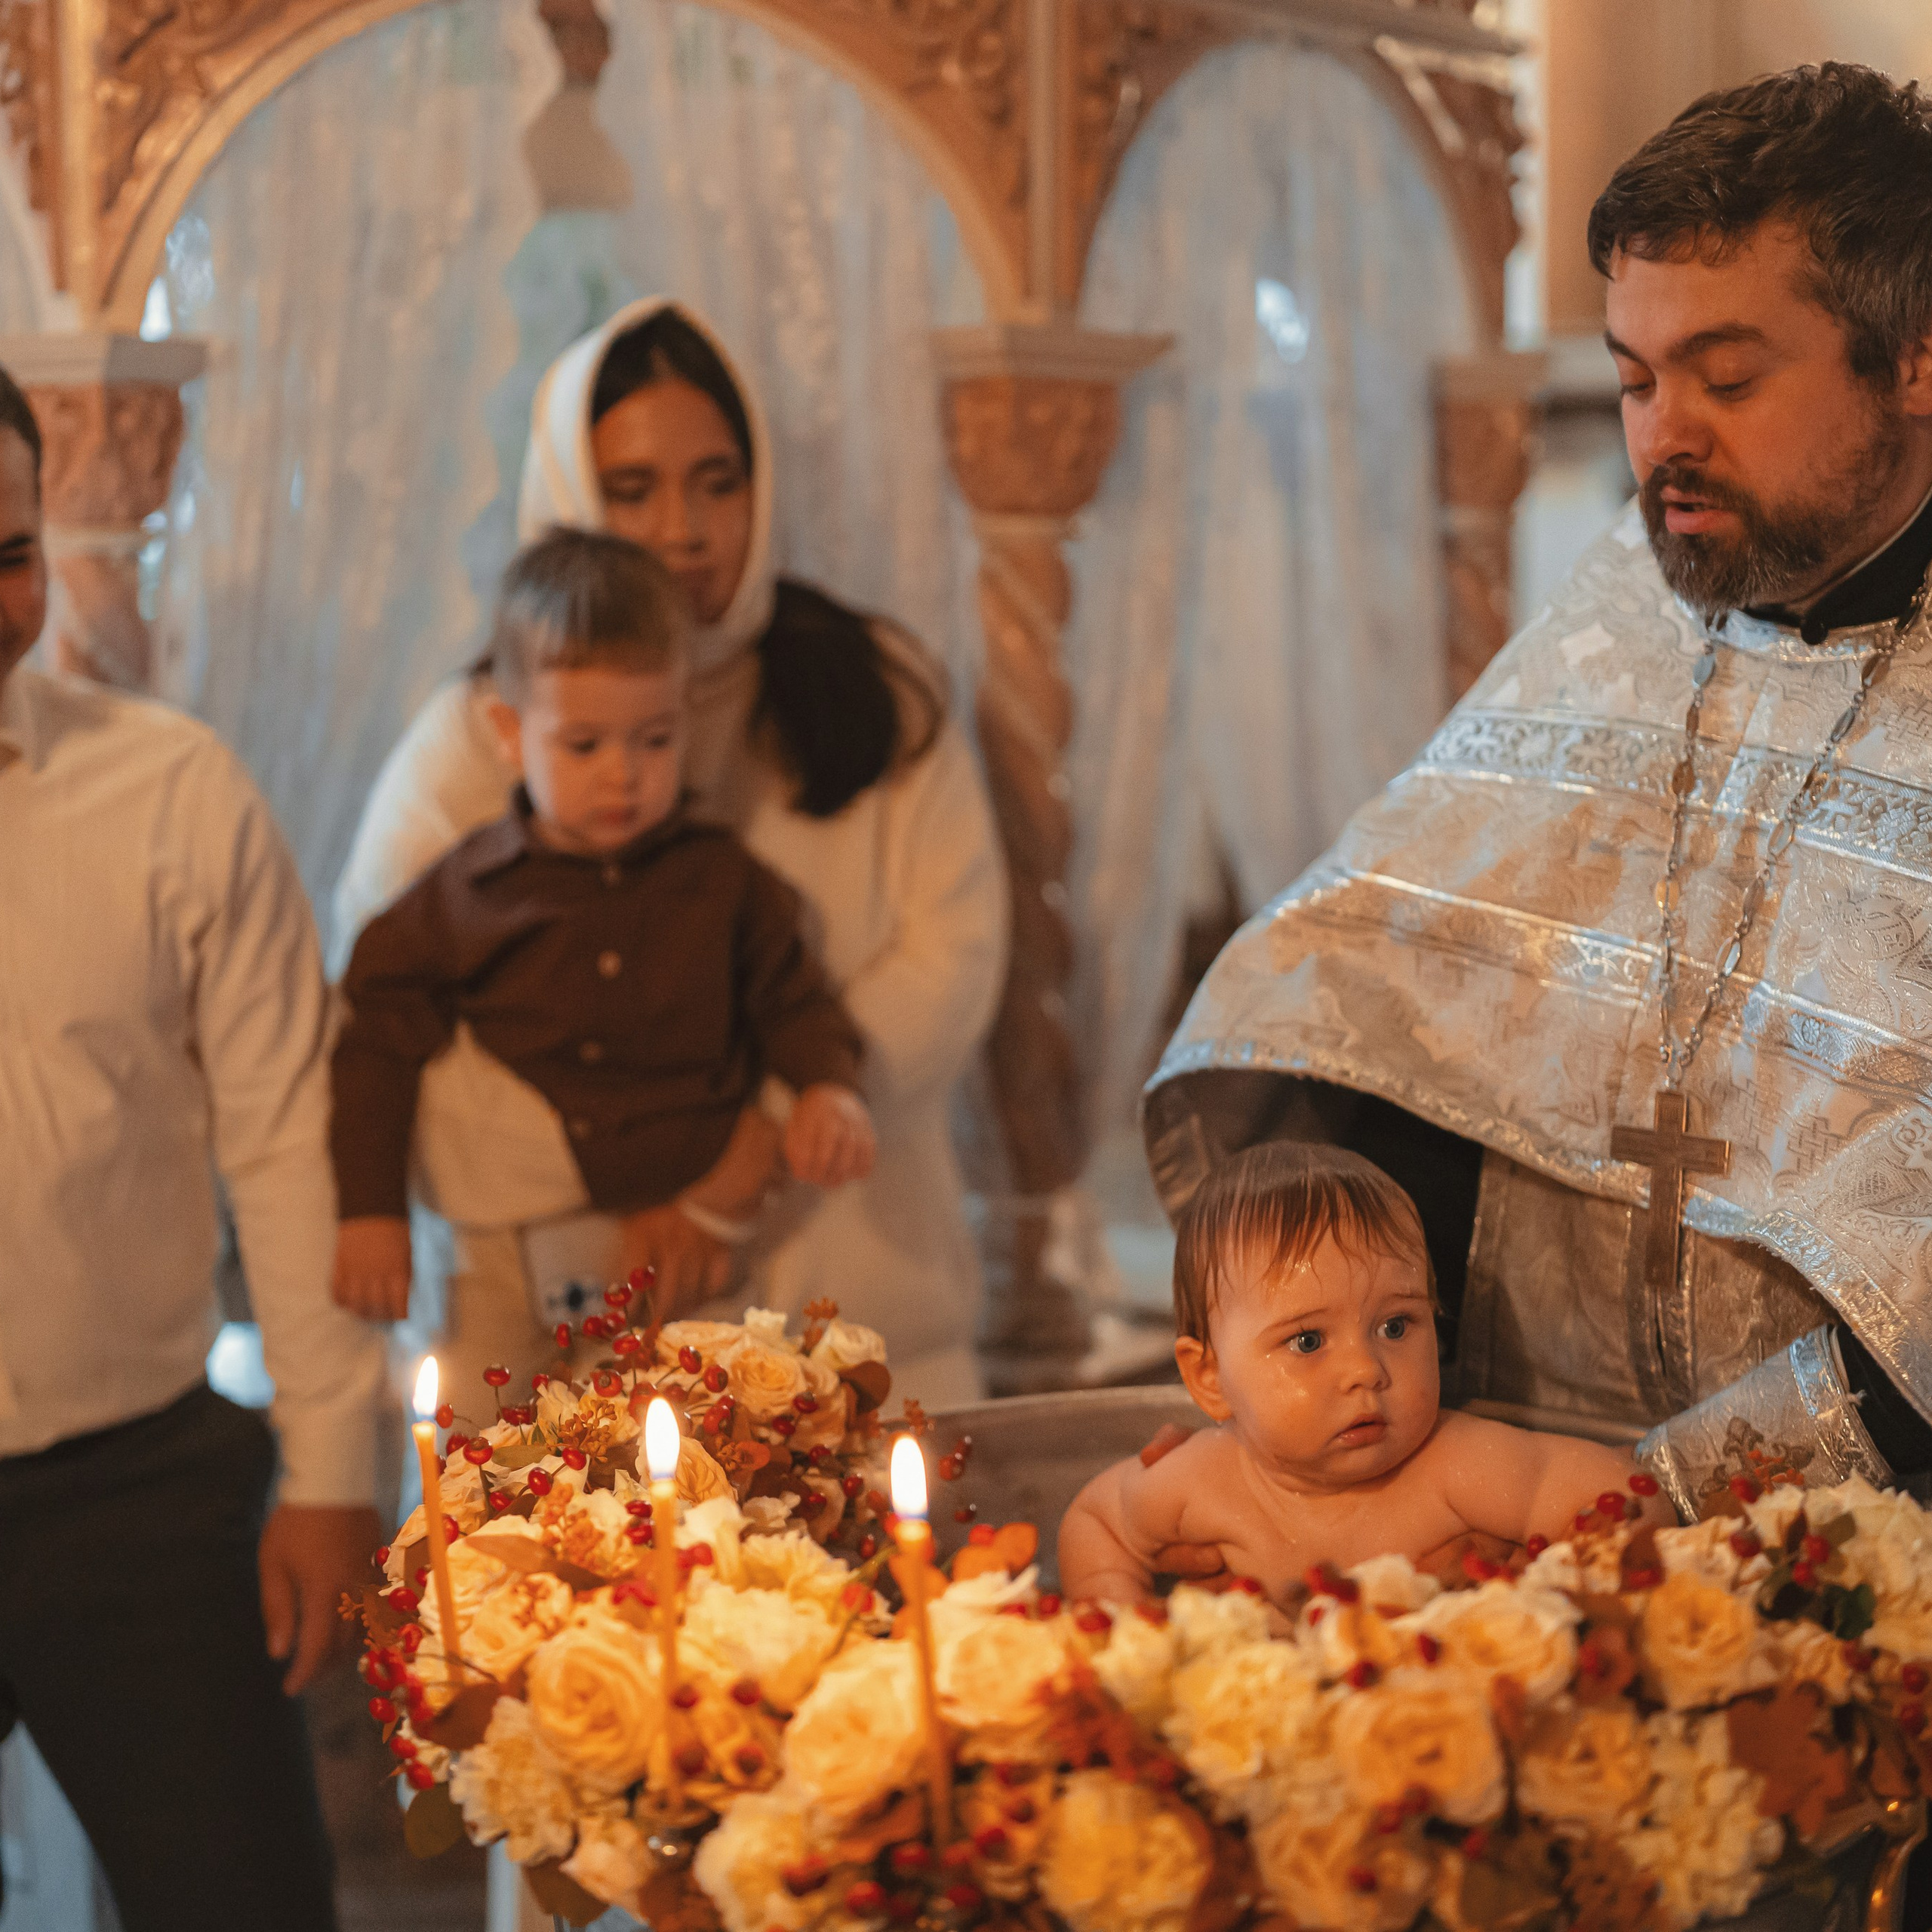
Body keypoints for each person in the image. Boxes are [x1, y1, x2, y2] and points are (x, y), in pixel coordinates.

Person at [1144, 63, 1932, 1531]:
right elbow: (1401, 1006)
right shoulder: (1616, 623)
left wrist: (1679, 1506)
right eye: (1634, 380)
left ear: (1912, 360)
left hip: (1873, 1538)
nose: (1663, 435)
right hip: (1476, 1487)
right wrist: (1342, 1414)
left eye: (1726, 374)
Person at [331, 299, 1006, 1410]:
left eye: (718, 480)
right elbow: (382, 1007)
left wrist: (742, 1162)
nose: (684, 529)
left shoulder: (872, 683)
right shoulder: (484, 727)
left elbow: (952, 961)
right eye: (634, 488)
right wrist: (621, 1180)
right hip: (592, 1329)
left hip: (868, 1305)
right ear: (569, 493)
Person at [0, 364, 383, 1928]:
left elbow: (285, 1135)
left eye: (7, 554)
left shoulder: (174, 791)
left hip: (138, 1486)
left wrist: (331, 1464)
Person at [331, 528, 876, 1318]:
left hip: (690, 1242)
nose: (622, 773)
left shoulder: (724, 882)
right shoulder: (467, 893)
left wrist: (830, 1088)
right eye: (582, 745)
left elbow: (795, 1001)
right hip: (509, 1247)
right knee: (488, 1427)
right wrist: (370, 1212)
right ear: (511, 734)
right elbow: (374, 1040)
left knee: (713, 1421)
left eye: (654, 739)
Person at [1059, 1146, 1660, 1604]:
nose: (1365, 1371)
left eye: (1396, 1326)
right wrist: (1122, 1622)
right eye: (1308, 1341)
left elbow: (1632, 1496)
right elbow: (1096, 1523)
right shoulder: (1200, 1482)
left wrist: (1548, 1594)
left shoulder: (1459, 1466)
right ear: (1209, 1377)